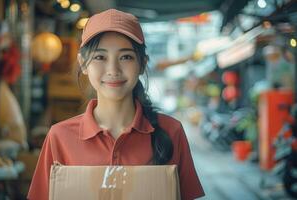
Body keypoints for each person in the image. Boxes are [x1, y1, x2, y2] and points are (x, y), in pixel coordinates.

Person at [28, 9, 205, 200]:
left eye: (126, 57)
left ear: (142, 63)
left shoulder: (172, 131)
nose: (113, 70)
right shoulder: (59, 137)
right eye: (100, 57)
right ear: (83, 64)